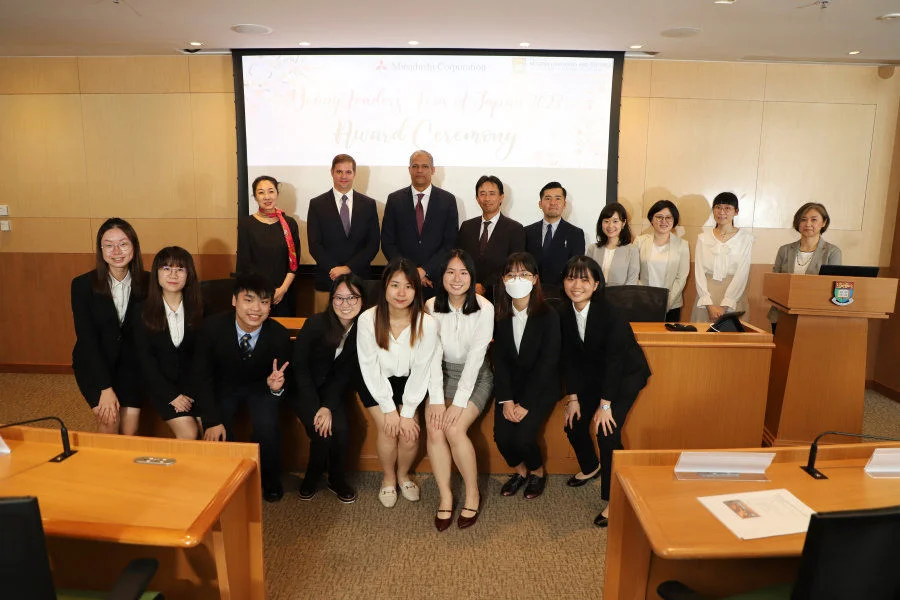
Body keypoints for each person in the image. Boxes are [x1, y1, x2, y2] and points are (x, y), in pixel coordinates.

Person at [559, 255, 651, 527]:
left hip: (624, 376)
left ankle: (616, 497)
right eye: (571, 278)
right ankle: (591, 467)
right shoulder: (562, 312)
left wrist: (605, 405)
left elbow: (615, 361)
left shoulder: (612, 313)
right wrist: (573, 397)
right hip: (594, 377)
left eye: (584, 279)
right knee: (573, 423)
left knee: (607, 432)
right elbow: (568, 357)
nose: (577, 285)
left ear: (596, 284)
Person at [193, 274, 292, 502]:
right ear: (234, 300)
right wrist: (211, 419)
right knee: (218, 428)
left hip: (260, 387)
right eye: (249, 300)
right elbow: (202, 376)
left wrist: (275, 388)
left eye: (264, 302)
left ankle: (270, 479)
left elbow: (286, 379)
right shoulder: (211, 328)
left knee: (267, 426)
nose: (256, 309)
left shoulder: (279, 335)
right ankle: (227, 479)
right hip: (224, 385)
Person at [356, 257, 442, 508]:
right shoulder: (368, 319)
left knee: (409, 434)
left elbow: (422, 370)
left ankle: (403, 475)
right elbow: (369, 367)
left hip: (410, 382)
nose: (401, 293)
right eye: (395, 285)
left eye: (408, 286)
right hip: (375, 381)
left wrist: (407, 411)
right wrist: (389, 409)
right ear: (384, 286)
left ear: (416, 290)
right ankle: (388, 478)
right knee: (388, 428)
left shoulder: (427, 323)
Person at [424, 249, 494, 530]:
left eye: (463, 273)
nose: (456, 278)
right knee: (435, 428)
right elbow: (430, 355)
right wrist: (437, 400)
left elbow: (476, 359)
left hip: (476, 376)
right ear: (441, 276)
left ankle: (473, 493)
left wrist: (458, 402)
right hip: (440, 375)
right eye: (450, 272)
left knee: (453, 429)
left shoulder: (485, 308)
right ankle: (445, 495)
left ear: (472, 276)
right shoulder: (430, 306)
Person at [292, 273, 371, 504]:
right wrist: (317, 407)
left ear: (362, 300)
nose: (345, 304)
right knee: (322, 432)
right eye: (339, 298)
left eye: (352, 298)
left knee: (342, 431)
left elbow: (344, 374)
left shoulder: (362, 330)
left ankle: (336, 479)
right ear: (331, 299)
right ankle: (312, 476)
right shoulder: (315, 324)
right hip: (303, 389)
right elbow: (300, 368)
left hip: (332, 391)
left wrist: (327, 406)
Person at [71, 218, 148, 435]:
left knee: (130, 430)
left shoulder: (150, 282)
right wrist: (105, 388)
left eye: (123, 244)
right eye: (109, 245)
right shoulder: (82, 285)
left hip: (131, 365)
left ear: (134, 247)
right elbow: (87, 339)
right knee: (110, 420)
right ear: (101, 250)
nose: (116, 251)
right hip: (94, 362)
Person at [492, 252, 560, 500]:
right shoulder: (500, 314)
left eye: (524, 274)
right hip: (510, 388)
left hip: (540, 388)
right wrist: (507, 399)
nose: (517, 279)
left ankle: (538, 472)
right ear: (503, 280)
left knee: (523, 438)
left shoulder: (549, 315)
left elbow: (548, 363)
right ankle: (520, 472)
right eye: (511, 274)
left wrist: (526, 404)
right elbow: (499, 360)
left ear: (534, 279)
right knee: (502, 438)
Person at [134, 246, 202, 440]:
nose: (173, 274)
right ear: (156, 273)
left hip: (195, 386)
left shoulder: (201, 309)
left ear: (189, 274)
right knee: (189, 433)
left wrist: (190, 393)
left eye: (180, 269)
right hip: (161, 387)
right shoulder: (141, 312)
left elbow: (203, 357)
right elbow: (145, 360)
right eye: (166, 268)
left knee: (208, 430)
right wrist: (172, 396)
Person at [381, 150, 459, 300]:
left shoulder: (448, 200)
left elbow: (450, 243)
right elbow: (387, 242)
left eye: (425, 166)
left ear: (433, 170)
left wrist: (425, 270)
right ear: (409, 169)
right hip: (402, 280)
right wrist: (410, 272)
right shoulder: (394, 200)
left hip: (436, 281)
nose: (420, 170)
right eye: (415, 166)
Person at [307, 154, 381, 313]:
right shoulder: (317, 204)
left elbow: (373, 244)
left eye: (348, 172)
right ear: (332, 172)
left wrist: (348, 268)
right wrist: (334, 269)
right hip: (327, 279)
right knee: (324, 325)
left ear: (354, 174)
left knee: (360, 325)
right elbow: (314, 244)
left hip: (359, 279)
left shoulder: (368, 204)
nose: (343, 176)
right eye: (339, 171)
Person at [767, 202, 842, 331]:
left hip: (814, 317)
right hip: (782, 314)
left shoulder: (832, 252)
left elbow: (832, 287)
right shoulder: (784, 250)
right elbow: (774, 283)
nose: (808, 224)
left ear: (824, 223)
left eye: (814, 220)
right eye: (803, 219)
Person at [236, 175, 301, 317]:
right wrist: (260, 294)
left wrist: (283, 289)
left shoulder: (289, 224)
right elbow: (244, 263)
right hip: (256, 294)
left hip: (284, 293)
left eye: (271, 191)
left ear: (277, 194)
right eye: (261, 192)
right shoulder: (246, 224)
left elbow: (294, 263)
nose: (267, 197)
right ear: (255, 197)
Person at [456, 175, 526, 302]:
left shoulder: (515, 229)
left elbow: (513, 265)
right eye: (482, 194)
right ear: (477, 198)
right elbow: (459, 259)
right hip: (467, 293)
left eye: (492, 193)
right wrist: (470, 285)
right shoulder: (467, 227)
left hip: (500, 296)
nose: (487, 198)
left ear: (501, 197)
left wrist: (484, 286)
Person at [692, 192, 754, 322]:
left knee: (731, 333)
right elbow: (699, 272)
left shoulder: (745, 239)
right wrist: (708, 304)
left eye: (727, 208)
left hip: (734, 295)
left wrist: (725, 306)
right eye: (718, 207)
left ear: (736, 212)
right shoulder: (703, 238)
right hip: (706, 296)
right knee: (703, 332)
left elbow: (742, 273)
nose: (722, 212)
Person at [524, 181, 586, 299]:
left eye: (558, 198)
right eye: (548, 198)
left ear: (564, 204)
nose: (553, 203)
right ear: (540, 204)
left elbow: (575, 269)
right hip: (531, 295)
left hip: (562, 296)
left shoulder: (575, 233)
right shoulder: (527, 232)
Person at [634, 200, 691, 322]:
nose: (663, 221)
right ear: (651, 219)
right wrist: (645, 299)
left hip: (671, 306)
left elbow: (681, 278)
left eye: (668, 217)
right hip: (643, 302)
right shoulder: (639, 241)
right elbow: (634, 274)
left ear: (674, 220)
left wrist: (666, 304)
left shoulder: (682, 245)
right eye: (659, 217)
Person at [586, 202, 639, 286]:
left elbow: (632, 282)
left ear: (623, 223)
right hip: (596, 293)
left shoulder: (632, 250)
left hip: (622, 294)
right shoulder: (593, 249)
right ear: (601, 223)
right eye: (606, 221)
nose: (610, 226)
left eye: (615, 221)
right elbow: (587, 277)